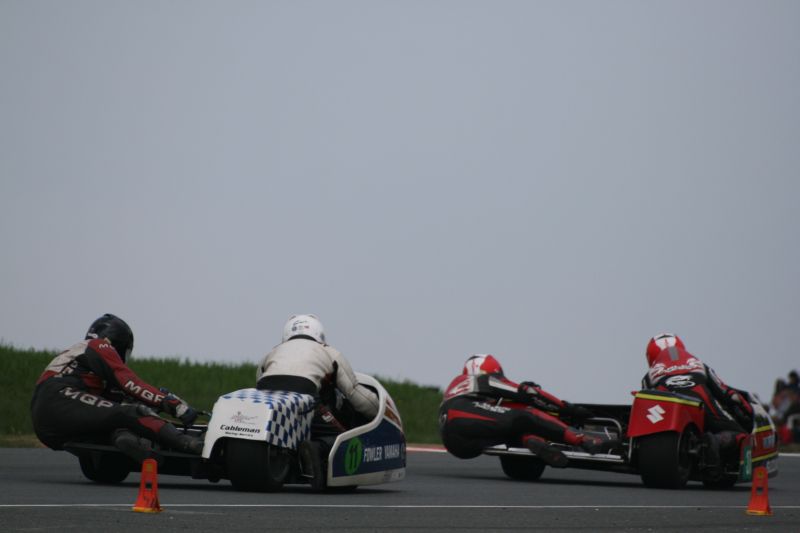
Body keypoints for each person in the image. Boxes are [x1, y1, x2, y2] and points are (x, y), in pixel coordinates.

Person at [30, 313, 203, 462]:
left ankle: (122, 439)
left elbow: (114, 399)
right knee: (134, 413)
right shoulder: (99, 345)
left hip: (46, 419)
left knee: (115, 418)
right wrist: (172, 404)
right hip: (61, 396)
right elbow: (129, 382)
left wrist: (154, 401)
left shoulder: (80, 358)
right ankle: (188, 443)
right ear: (117, 342)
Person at [438, 354, 619, 467]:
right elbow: (528, 393)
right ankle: (586, 440)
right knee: (525, 416)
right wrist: (567, 408)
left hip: (455, 441)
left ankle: (530, 440)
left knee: (510, 429)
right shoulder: (482, 379)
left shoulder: (458, 387)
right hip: (461, 413)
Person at [641, 332, 754, 468]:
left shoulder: (649, 376)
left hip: (669, 412)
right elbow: (726, 393)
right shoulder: (698, 364)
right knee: (742, 436)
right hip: (700, 402)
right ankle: (716, 442)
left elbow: (646, 403)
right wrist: (745, 409)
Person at [256, 314, 380, 425]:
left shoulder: (271, 352)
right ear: (320, 334)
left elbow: (258, 381)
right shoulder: (329, 351)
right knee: (333, 434)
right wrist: (378, 412)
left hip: (267, 399)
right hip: (305, 396)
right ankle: (317, 448)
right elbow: (353, 392)